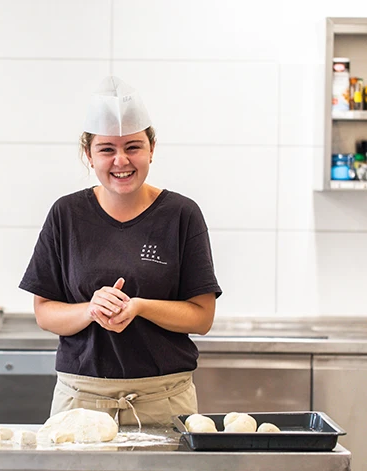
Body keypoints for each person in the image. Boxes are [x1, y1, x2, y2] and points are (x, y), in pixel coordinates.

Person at [19, 76, 222, 427]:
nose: (121, 161)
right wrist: (91, 310)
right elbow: (45, 312)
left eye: (133, 147)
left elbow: (202, 317)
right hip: (81, 399)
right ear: (89, 154)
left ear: (152, 149)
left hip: (164, 399)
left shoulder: (181, 215)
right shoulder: (66, 215)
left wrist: (140, 307)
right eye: (107, 149)